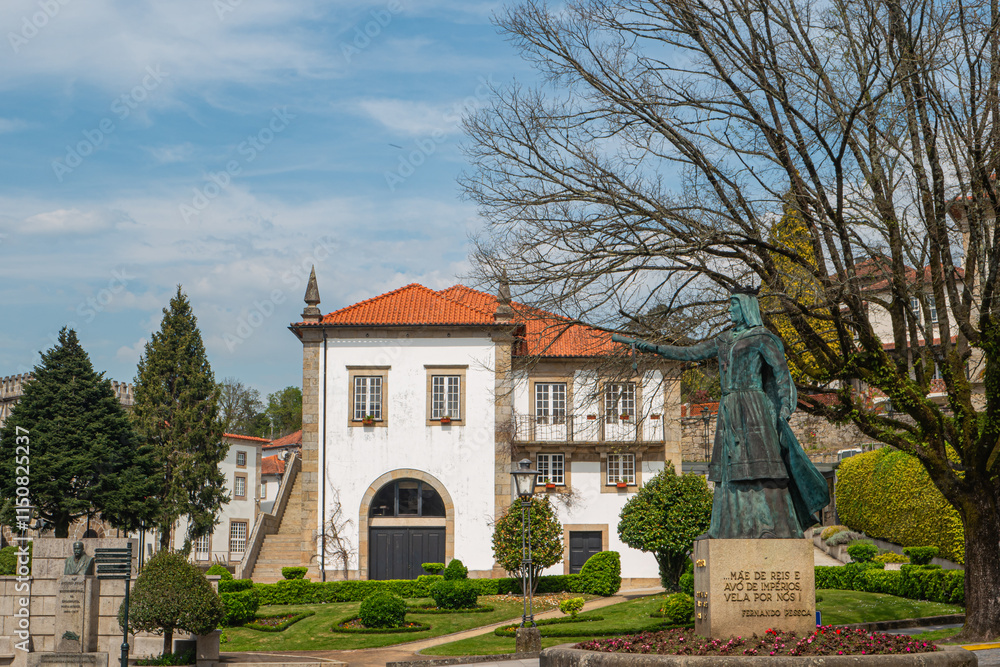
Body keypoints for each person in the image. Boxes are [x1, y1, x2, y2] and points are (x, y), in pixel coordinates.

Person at [612, 287, 829, 539]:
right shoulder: (724, 340)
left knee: (764, 466)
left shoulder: (762, 338)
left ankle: (779, 526)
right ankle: (723, 528)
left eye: (733, 305)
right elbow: (688, 352)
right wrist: (650, 347)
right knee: (728, 471)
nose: (729, 310)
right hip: (729, 408)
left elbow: (781, 373)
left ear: (746, 308)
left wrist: (784, 409)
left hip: (754, 407)